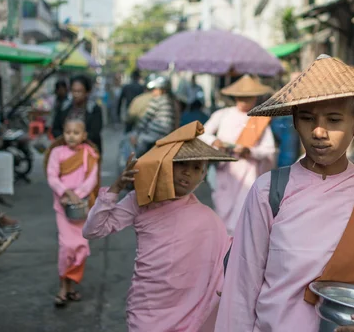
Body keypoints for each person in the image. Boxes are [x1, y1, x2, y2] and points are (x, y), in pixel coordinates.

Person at [215, 55, 354, 332]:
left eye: (333, 120)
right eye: (308, 119)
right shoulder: (270, 191)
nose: (319, 132)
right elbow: (241, 288)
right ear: (295, 121)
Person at [83, 121, 235, 332]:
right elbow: (93, 230)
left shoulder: (208, 219)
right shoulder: (141, 200)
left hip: (191, 305)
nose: (187, 173)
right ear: (165, 165)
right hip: (148, 304)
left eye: (197, 168)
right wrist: (115, 188)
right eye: (181, 164)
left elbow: (229, 260)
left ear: (202, 178)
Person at [200, 75, 276, 234]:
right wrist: (214, 141)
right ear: (235, 97)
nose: (244, 102)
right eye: (241, 98)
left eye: (248, 98)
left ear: (255, 98)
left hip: (248, 171)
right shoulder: (222, 115)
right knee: (222, 209)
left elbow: (269, 149)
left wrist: (250, 151)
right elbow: (201, 134)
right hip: (224, 169)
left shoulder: (259, 119)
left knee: (245, 212)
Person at [45, 118, 100, 308]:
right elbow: (52, 176)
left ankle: (71, 285)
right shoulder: (56, 152)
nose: (71, 136)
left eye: (76, 133)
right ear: (63, 133)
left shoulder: (89, 153)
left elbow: (91, 179)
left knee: (81, 248)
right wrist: (65, 192)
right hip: (63, 206)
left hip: (81, 208)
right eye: (68, 132)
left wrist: (78, 195)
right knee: (67, 247)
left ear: (84, 136)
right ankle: (63, 286)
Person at [52, 74, 104, 154]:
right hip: (65, 151)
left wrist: (78, 140)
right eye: (73, 91)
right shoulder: (64, 107)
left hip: (88, 152)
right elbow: (55, 128)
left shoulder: (94, 109)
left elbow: (95, 132)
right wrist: (66, 139)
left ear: (87, 92)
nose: (76, 94)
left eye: (79, 91)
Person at [130, 76, 177, 157]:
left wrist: (135, 134)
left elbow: (146, 118)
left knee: (137, 156)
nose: (153, 92)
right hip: (166, 135)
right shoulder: (170, 101)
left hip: (154, 135)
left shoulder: (157, 100)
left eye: (155, 89)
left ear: (161, 90)